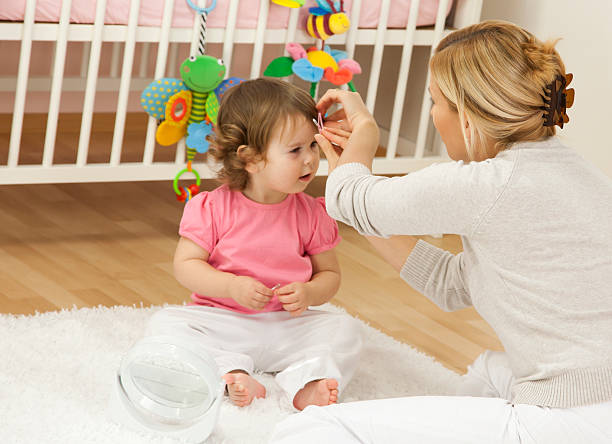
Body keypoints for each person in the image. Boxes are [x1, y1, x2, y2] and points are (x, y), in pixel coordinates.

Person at [270, 20, 612, 443]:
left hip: (572, 416)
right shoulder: (570, 171)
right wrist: (357, 194)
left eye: (435, 102)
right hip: (599, 396)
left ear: (467, 114)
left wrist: (365, 139)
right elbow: (451, 285)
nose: (432, 115)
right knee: (490, 369)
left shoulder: (488, 185)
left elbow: (351, 198)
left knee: (324, 426)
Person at [146, 78, 362, 410]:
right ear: (251, 159)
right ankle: (231, 372)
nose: (309, 160)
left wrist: (309, 294)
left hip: (286, 327)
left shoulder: (312, 213)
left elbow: (330, 275)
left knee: (344, 329)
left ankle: (306, 381)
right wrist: (231, 286)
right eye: (295, 150)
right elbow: (185, 266)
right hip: (222, 321)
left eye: (312, 147)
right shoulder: (212, 208)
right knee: (165, 325)